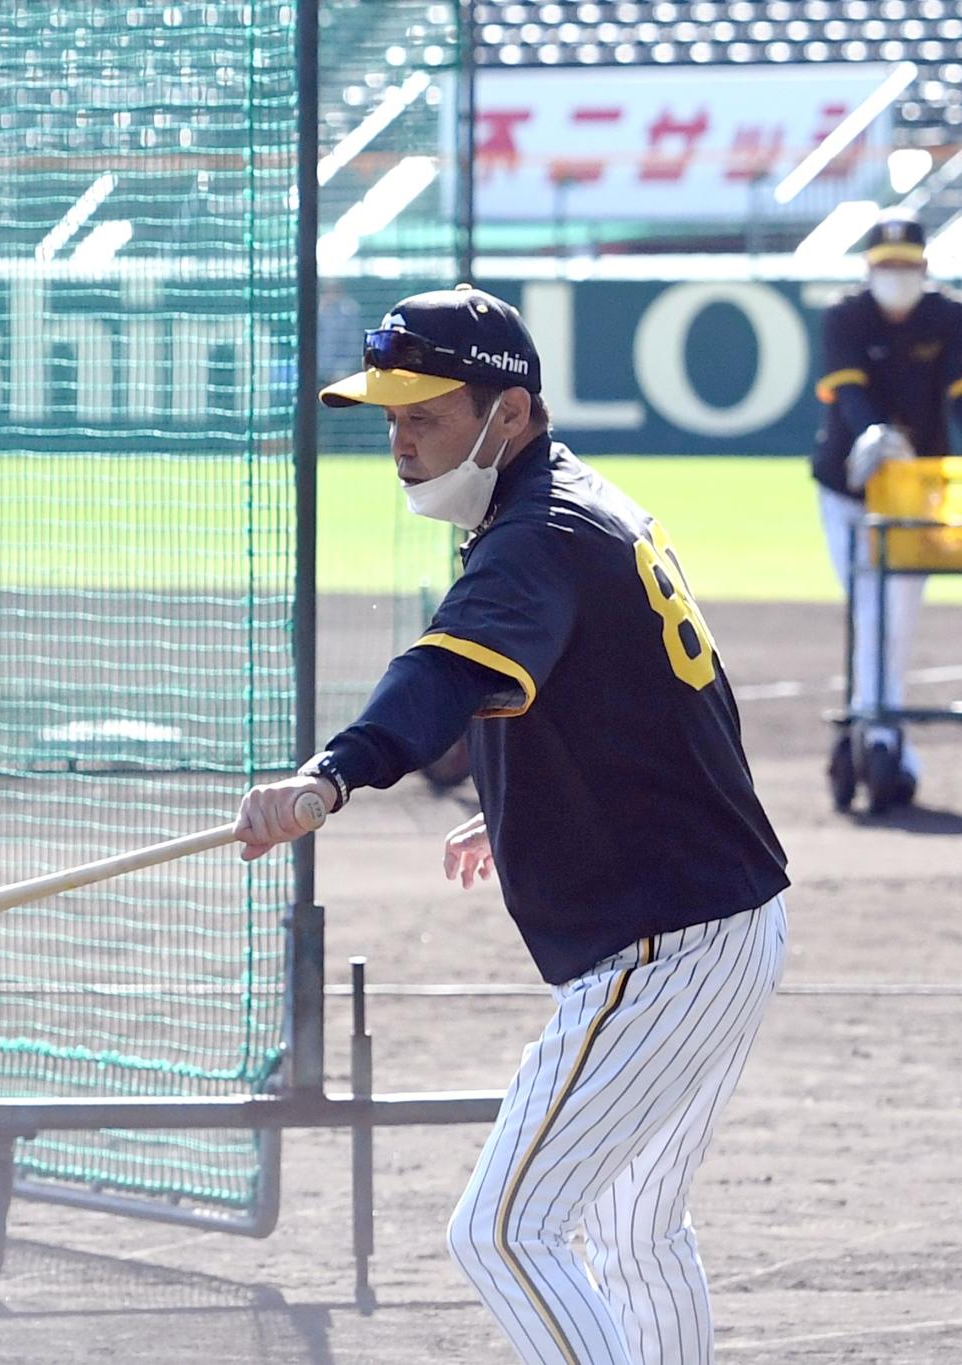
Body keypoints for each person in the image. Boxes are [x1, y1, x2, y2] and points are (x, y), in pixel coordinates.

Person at [233, 286, 790, 1364]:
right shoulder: (574, 507)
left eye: (425, 415)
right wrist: (521, 799)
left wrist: (330, 777)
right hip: (724, 921)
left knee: (501, 1228)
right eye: (389, 418)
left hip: (665, 948)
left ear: (511, 415)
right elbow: (653, 700)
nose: (398, 442)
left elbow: (439, 672)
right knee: (634, 1230)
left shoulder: (534, 533)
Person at [810, 209, 962, 812]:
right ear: (869, 270)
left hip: (915, 491)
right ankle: (881, 735)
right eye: (886, 266)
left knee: (890, 611)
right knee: (869, 605)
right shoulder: (845, 317)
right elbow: (846, 391)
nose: (896, 276)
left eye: (907, 266)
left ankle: (876, 733)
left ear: (924, 267)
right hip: (845, 487)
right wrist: (871, 432)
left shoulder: (948, 319)